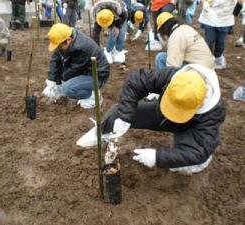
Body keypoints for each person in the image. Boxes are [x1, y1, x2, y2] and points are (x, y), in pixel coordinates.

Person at [77, 64, 226, 174]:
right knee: (118, 112)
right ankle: (100, 132)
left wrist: (158, 157)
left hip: (189, 128)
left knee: (189, 163)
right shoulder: (175, 78)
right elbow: (135, 82)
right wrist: (124, 117)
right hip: (160, 114)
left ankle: (185, 159)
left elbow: (199, 150)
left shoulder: (213, 111)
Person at [42, 23, 110, 109]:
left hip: (97, 74)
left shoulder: (81, 48)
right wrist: (51, 80)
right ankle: (72, 88)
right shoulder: (64, 37)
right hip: (83, 69)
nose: (58, 48)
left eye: (59, 46)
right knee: (62, 78)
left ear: (69, 40)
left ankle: (93, 96)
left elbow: (74, 70)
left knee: (67, 88)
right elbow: (55, 58)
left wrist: (59, 86)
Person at [198, 0, 237, 69]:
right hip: (210, 18)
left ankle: (218, 59)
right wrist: (204, 2)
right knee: (209, 41)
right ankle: (207, 60)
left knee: (220, 42)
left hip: (225, 19)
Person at [91, 0, 128, 64]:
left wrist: (117, 27)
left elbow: (124, 16)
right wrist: (97, 48)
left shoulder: (119, 10)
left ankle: (117, 52)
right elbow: (95, 35)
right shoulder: (96, 16)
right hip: (107, 15)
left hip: (120, 16)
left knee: (121, 35)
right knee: (114, 35)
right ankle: (108, 51)